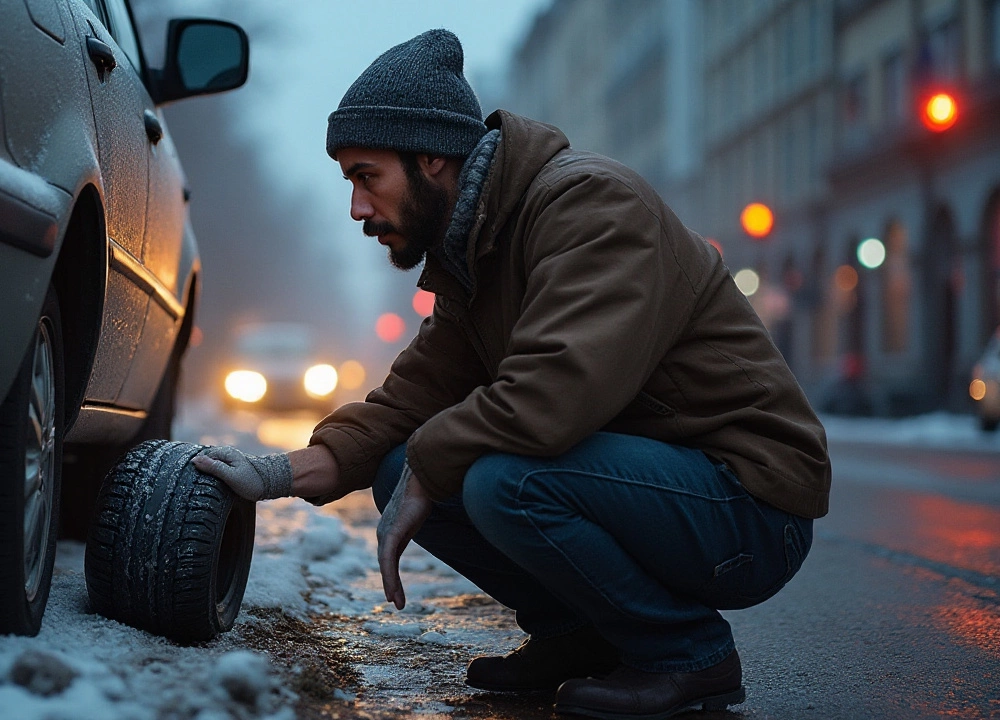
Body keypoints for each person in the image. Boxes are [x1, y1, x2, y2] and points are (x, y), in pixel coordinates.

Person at [192, 29, 830, 719]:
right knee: (395, 466)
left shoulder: (590, 207)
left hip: (751, 505)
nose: (357, 208)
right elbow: (405, 404)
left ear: (432, 158)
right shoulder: (477, 254)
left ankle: (688, 654)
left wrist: (433, 463)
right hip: (667, 485)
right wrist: (275, 476)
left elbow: (553, 394)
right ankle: (577, 635)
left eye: (366, 176)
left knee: (502, 480)